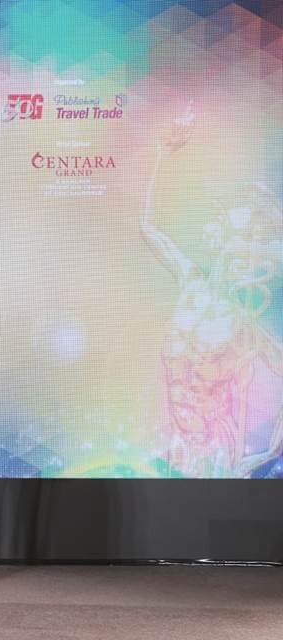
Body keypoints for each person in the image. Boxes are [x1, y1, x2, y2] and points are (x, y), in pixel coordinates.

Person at [141, 107, 283, 477]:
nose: (229, 242)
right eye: (228, 230)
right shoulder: (191, 281)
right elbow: (148, 228)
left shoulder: (245, 327)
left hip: (212, 461)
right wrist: (163, 154)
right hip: (166, 447)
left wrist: (266, 454)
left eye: (245, 235)